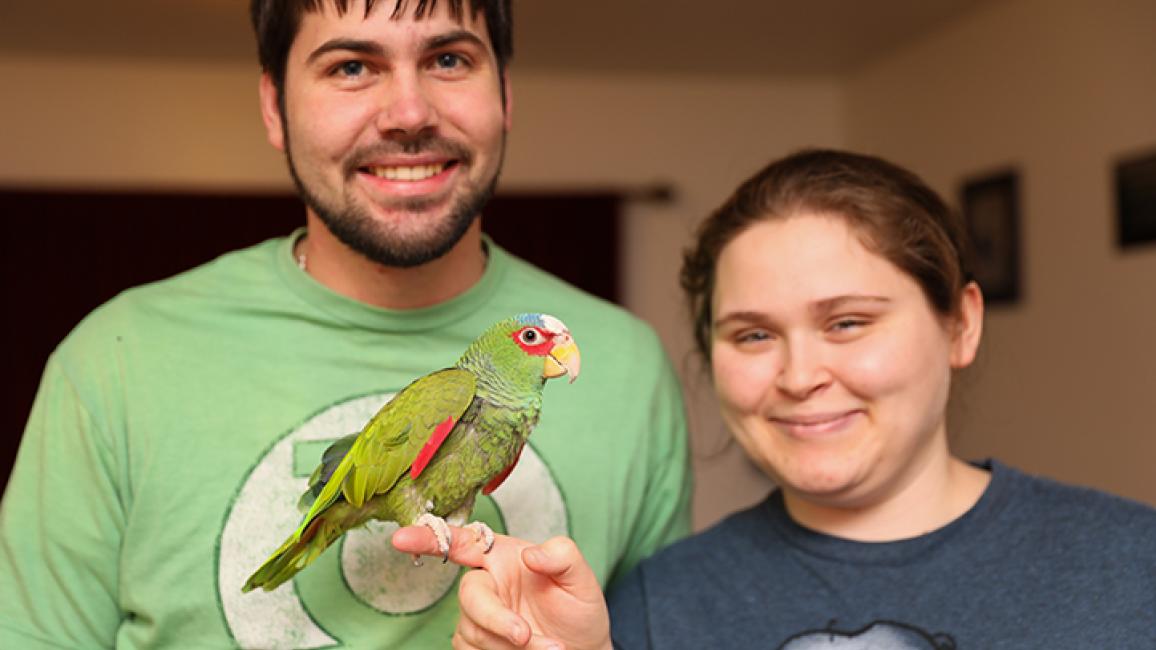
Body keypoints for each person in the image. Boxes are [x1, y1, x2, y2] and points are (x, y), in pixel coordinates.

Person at [0, 1, 692, 648]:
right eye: (351, 67)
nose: (409, 113)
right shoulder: (110, 361)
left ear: (507, 93)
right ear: (274, 106)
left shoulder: (631, 368)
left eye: (449, 59)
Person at [394, 149, 1156, 649]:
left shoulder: (1133, 565)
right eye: (754, 336)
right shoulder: (656, 606)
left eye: (848, 322)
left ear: (962, 324)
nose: (799, 375)